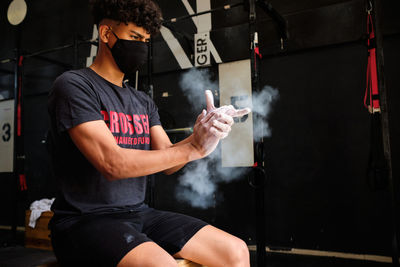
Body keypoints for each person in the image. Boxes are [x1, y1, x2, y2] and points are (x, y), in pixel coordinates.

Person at [47, 0, 251, 266]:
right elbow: (113, 163)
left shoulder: (142, 101)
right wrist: (193, 148)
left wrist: (202, 135)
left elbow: (167, 161)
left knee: (235, 251)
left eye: (145, 40)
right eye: (134, 37)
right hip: (83, 221)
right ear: (106, 34)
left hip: (138, 214)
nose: (141, 47)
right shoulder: (74, 86)